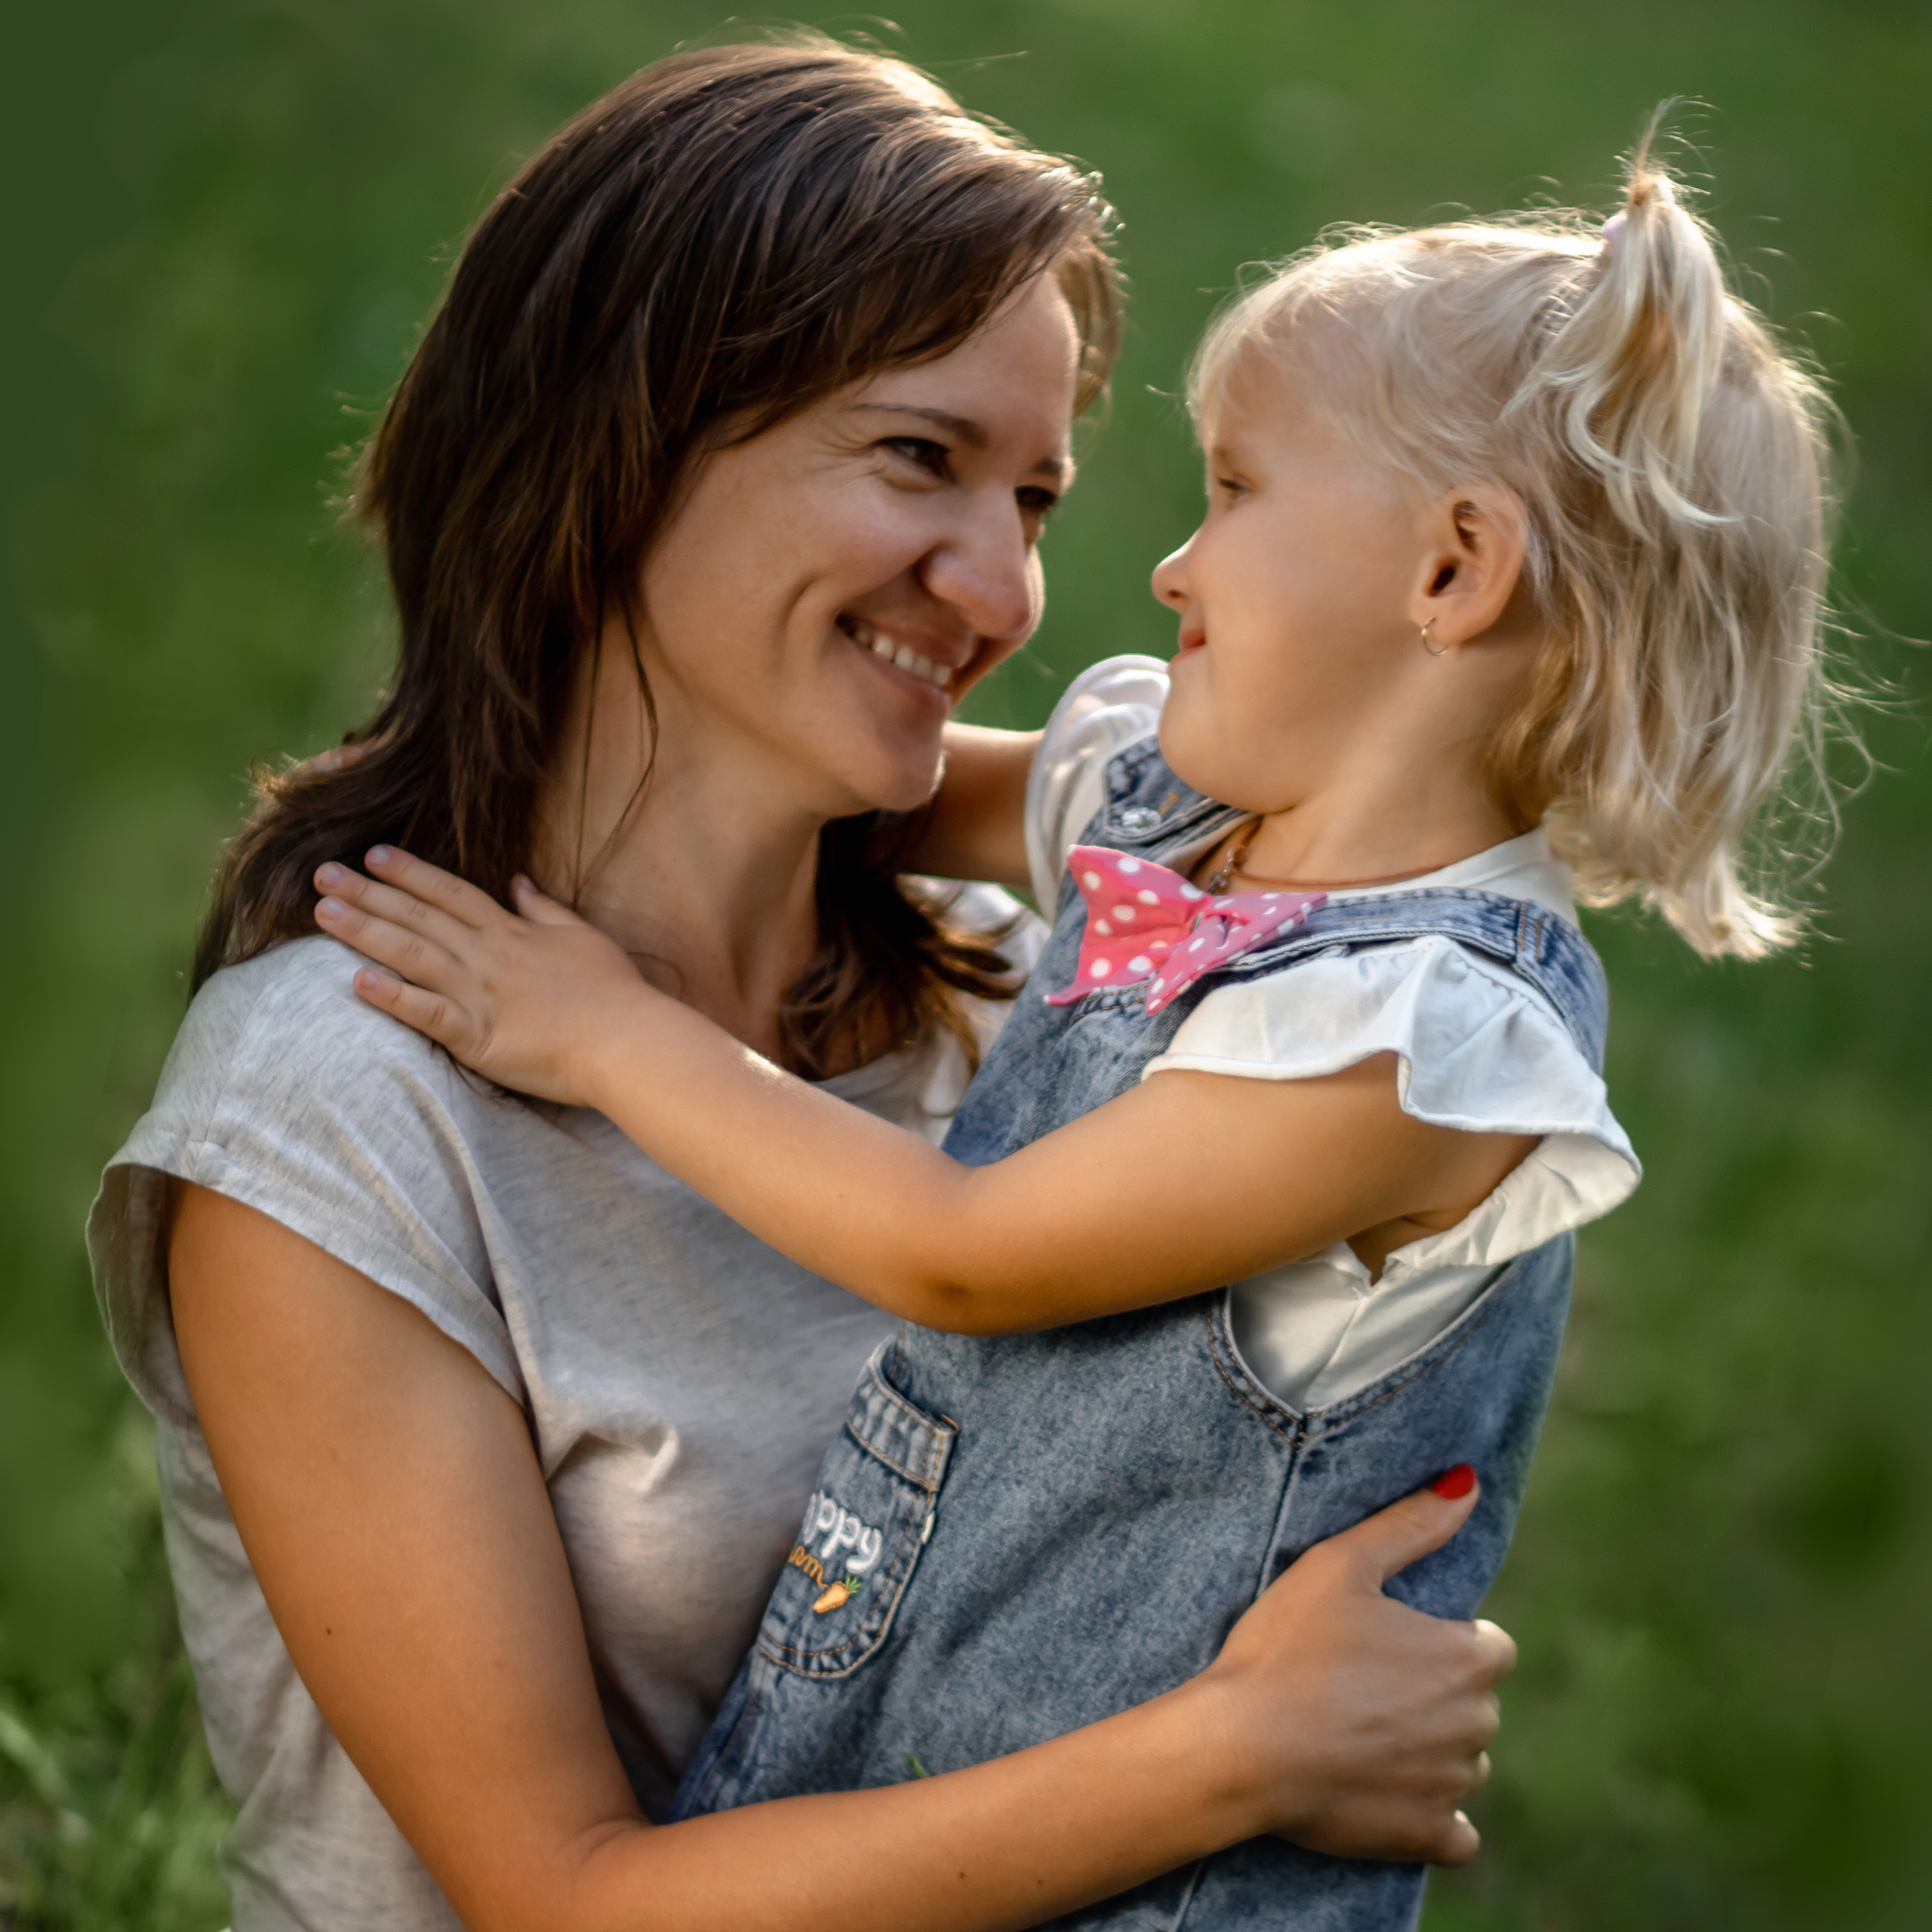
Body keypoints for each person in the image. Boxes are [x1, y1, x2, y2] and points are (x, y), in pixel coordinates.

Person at [315, 131, 1838, 1930]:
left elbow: (959, 1255)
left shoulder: (1415, 1041)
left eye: (1237, 488)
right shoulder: (1173, 818)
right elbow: (843, 773)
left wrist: (599, 1030)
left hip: (1149, 1892)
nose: (1170, 569)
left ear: (1449, 575)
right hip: (911, 1774)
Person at [87, 37, 1518, 1932]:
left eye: (1032, 499)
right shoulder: (338, 1107)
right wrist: (1240, 1752)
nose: (1002, 590)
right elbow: (565, 1901)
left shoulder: (1043, 1017)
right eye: (921, 458)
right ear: (620, 438)